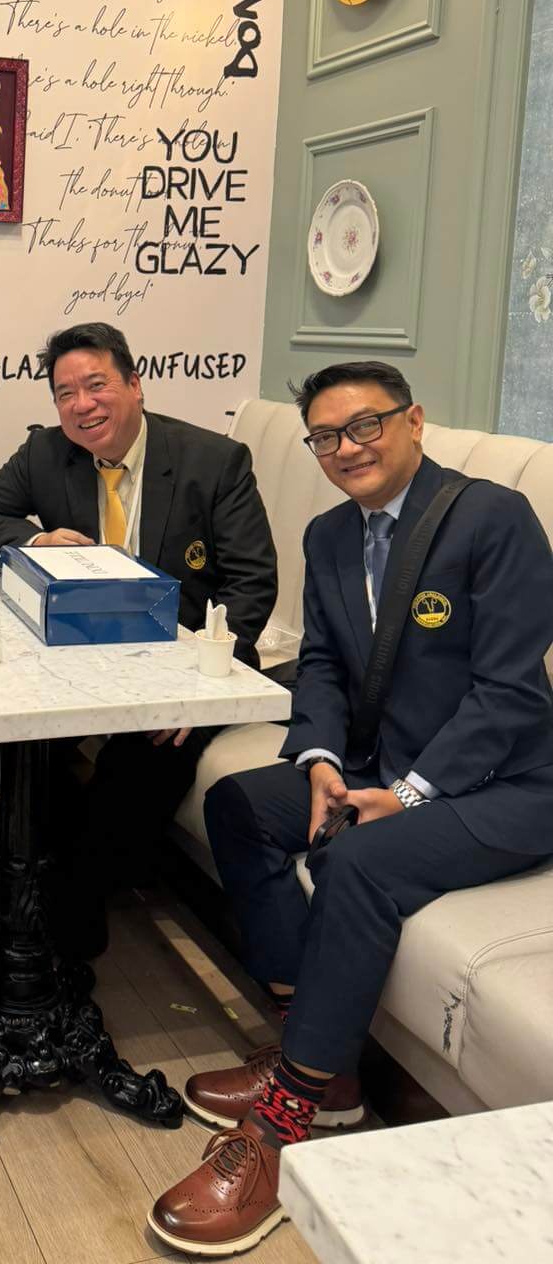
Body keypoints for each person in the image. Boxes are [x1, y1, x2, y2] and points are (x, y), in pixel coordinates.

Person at [147, 360, 553, 1256]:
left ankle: (287, 1120)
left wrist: (406, 794)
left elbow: (510, 695)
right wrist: (324, 760)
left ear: (414, 420)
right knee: (240, 806)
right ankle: (320, 1061)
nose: (346, 449)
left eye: (365, 425)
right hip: (379, 758)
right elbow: (325, 663)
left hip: (512, 786)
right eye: (326, 437)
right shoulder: (330, 534)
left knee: (357, 862)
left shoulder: (493, 517)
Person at [0, 321, 278, 948]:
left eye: (96, 385)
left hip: (181, 657)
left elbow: (252, 582)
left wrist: (201, 682)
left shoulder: (213, 461)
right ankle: (57, 856)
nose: (82, 405)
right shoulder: (45, 451)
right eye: (65, 393)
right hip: (80, 645)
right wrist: (36, 538)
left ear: (135, 384)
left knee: (136, 766)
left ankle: (73, 929)